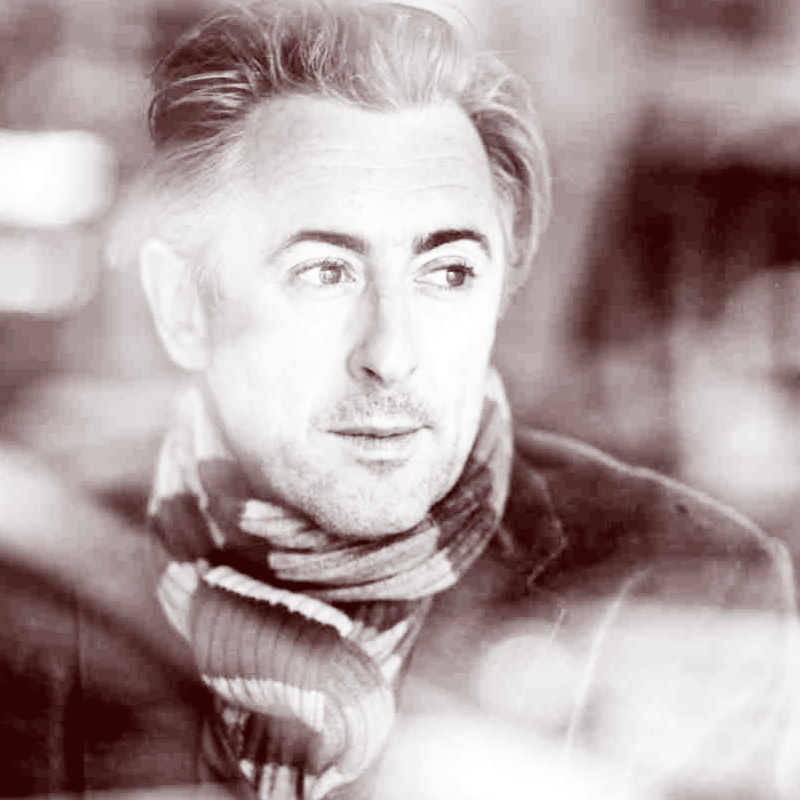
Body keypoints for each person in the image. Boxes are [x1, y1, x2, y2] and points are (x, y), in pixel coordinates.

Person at [1, 1, 798, 799]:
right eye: (323, 272)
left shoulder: (687, 569)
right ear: (183, 308)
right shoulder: (42, 605)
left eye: (448, 274)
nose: (390, 353)